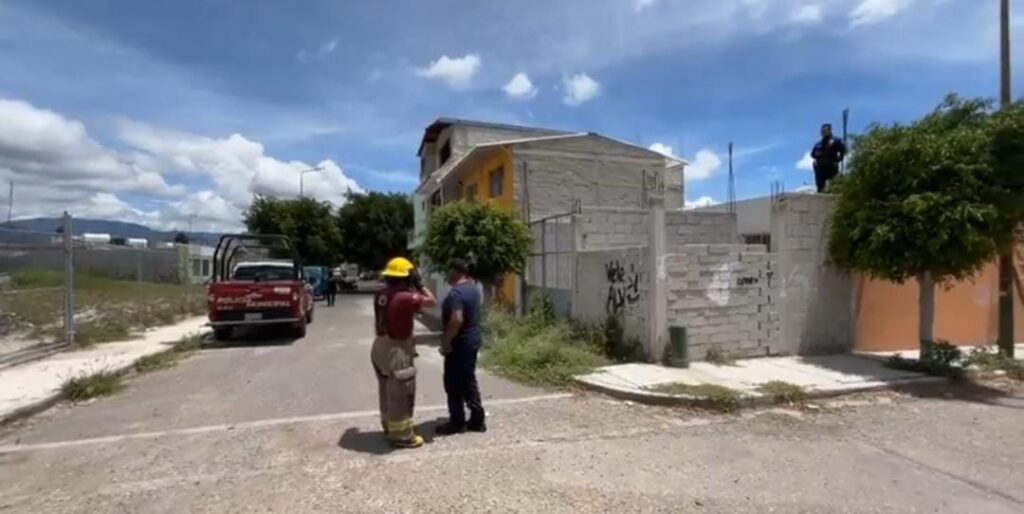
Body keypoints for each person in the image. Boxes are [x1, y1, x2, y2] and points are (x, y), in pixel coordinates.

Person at [372, 257, 437, 448]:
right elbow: (432, 302)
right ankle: (401, 435)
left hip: (380, 347)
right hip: (397, 349)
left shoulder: (381, 294)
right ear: (407, 278)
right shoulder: (404, 297)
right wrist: (420, 284)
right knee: (401, 392)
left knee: (386, 390)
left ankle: (388, 426)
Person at [436, 259, 486, 435]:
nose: (446, 275)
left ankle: (457, 421)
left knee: (453, 382)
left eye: (448, 271)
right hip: (472, 340)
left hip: (459, 343)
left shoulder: (455, 293)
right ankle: (477, 418)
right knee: (468, 379)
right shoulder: (473, 289)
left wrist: (446, 340)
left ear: (456, 272)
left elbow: (457, 319)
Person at [810, 123, 847, 193]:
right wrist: (817, 154)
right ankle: (820, 192)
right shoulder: (818, 144)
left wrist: (839, 159)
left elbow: (843, 150)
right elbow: (812, 154)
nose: (823, 132)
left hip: (831, 166)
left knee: (833, 185)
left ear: (829, 131)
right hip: (820, 167)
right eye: (822, 131)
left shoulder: (836, 140)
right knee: (820, 186)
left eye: (825, 130)